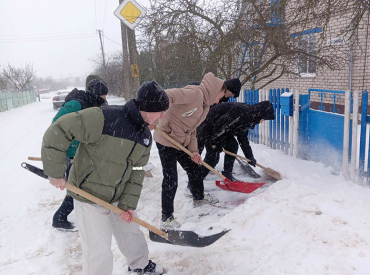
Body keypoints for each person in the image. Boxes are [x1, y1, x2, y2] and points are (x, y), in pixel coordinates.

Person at [41, 81, 169, 275]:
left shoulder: (144, 136)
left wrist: (128, 204)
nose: (162, 116)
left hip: (118, 196)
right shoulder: (104, 117)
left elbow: (136, 170)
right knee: (98, 250)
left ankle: (140, 266)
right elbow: (59, 129)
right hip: (88, 196)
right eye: (160, 111)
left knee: (132, 233)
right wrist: (56, 171)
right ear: (149, 108)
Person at [154, 72, 240, 230]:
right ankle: (166, 219)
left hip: (182, 141)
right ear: (214, 91)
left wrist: (194, 151)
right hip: (166, 138)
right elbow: (167, 95)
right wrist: (159, 116)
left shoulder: (205, 107)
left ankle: (198, 197)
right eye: (219, 96)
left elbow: (193, 130)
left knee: (194, 168)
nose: (218, 100)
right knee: (170, 178)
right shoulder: (194, 94)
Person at [51, 76, 108, 231]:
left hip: (84, 152)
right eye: (103, 95)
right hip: (73, 154)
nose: (105, 99)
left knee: (80, 184)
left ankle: (62, 217)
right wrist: (72, 147)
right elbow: (56, 127)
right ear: (96, 94)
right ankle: (60, 218)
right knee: (78, 185)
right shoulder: (76, 104)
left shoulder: (93, 104)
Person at [197, 101, 275, 181]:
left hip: (220, 131)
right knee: (212, 157)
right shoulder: (242, 113)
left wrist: (249, 157)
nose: (262, 122)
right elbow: (220, 126)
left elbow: (243, 139)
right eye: (263, 119)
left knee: (232, 145)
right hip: (208, 128)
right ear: (260, 114)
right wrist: (216, 143)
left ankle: (227, 174)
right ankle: (194, 184)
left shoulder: (249, 117)